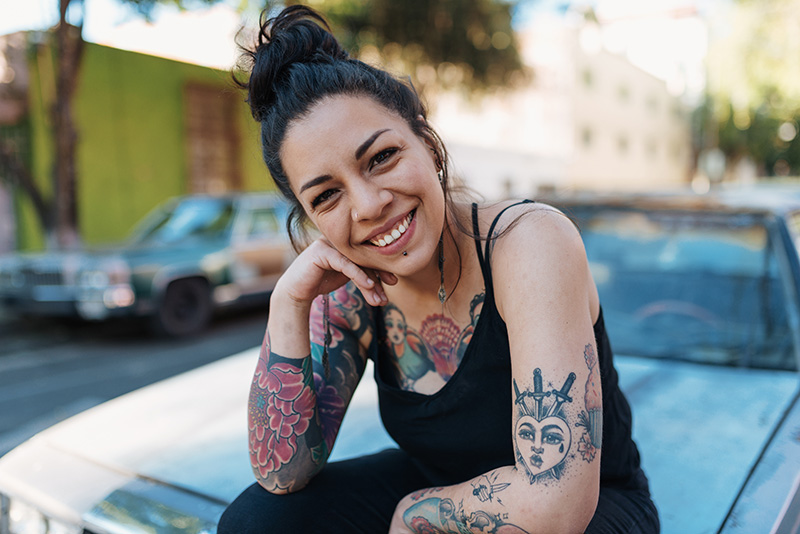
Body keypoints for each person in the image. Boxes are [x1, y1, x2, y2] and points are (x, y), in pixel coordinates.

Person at [218, 5, 659, 533]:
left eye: (380, 157)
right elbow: (282, 475)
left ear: (427, 144)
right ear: (311, 218)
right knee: (257, 521)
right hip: (440, 480)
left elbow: (556, 504)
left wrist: (413, 514)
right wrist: (287, 305)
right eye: (327, 195)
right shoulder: (348, 292)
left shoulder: (528, 243)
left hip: (590, 511)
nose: (368, 204)